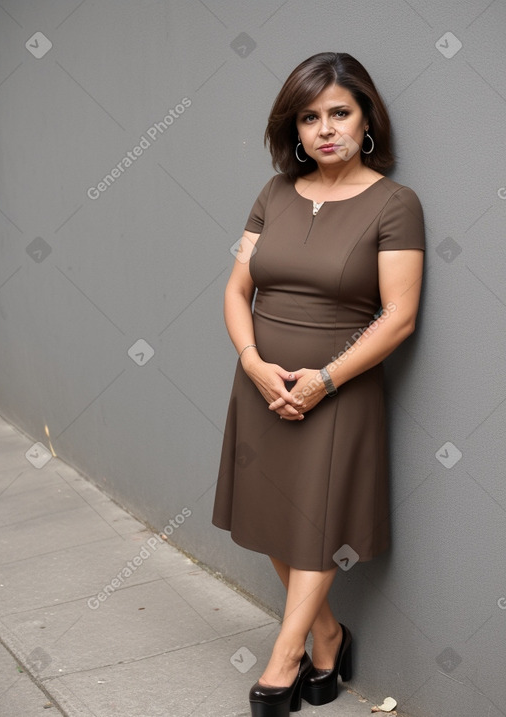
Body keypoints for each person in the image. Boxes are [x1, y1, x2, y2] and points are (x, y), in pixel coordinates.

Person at [212, 51, 425, 716]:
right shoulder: (273, 193)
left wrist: (324, 380)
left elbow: (399, 316)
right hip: (261, 385)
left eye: (339, 112)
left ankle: (285, 658)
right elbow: (237, 287)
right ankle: (328, 635)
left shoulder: (396, 203)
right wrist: (252, 361)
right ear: (294, 128)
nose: (324, 128)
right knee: (276, 520)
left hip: (341, 391)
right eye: (309, 117)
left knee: (317, 523)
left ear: (366, 121)